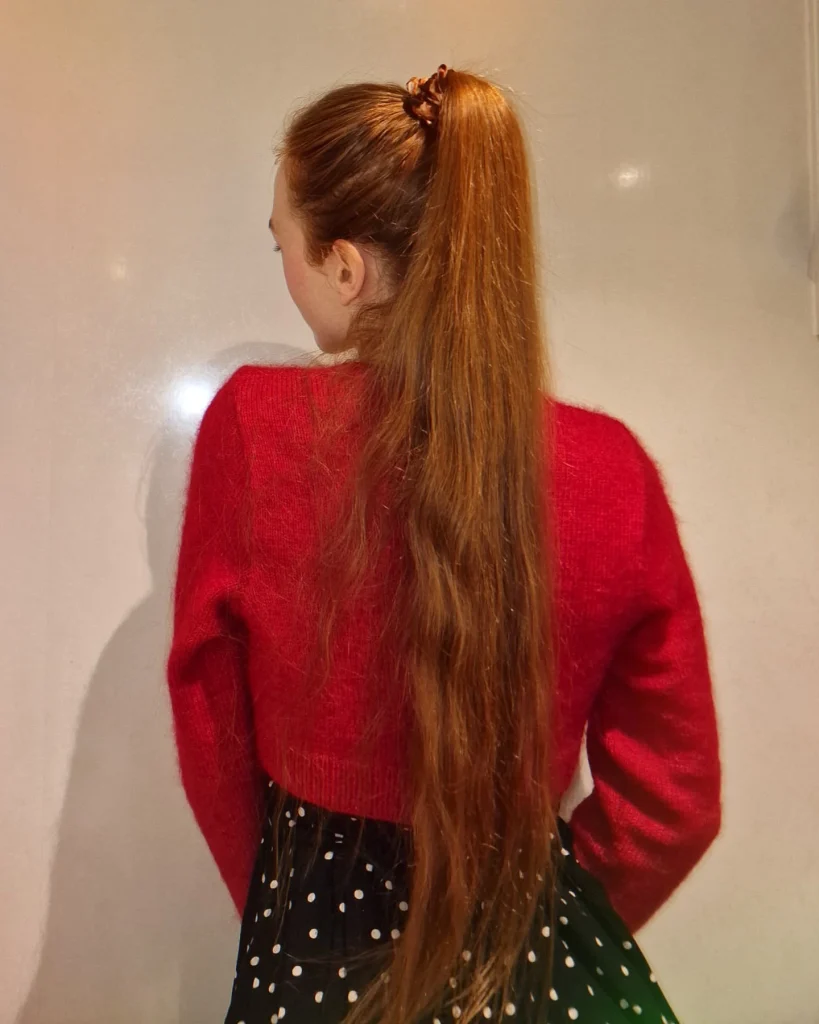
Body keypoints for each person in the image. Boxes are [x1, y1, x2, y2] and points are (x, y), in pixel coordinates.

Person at [167, 66, 721, 1024]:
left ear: (345, 267)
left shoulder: (254, 430)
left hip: (315, 954)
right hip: (534, 960)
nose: (283, 268)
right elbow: (676, 799)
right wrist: (542, 923)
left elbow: (209, 719)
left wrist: (287, 905)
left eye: (281, 244)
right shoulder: (613, 469)